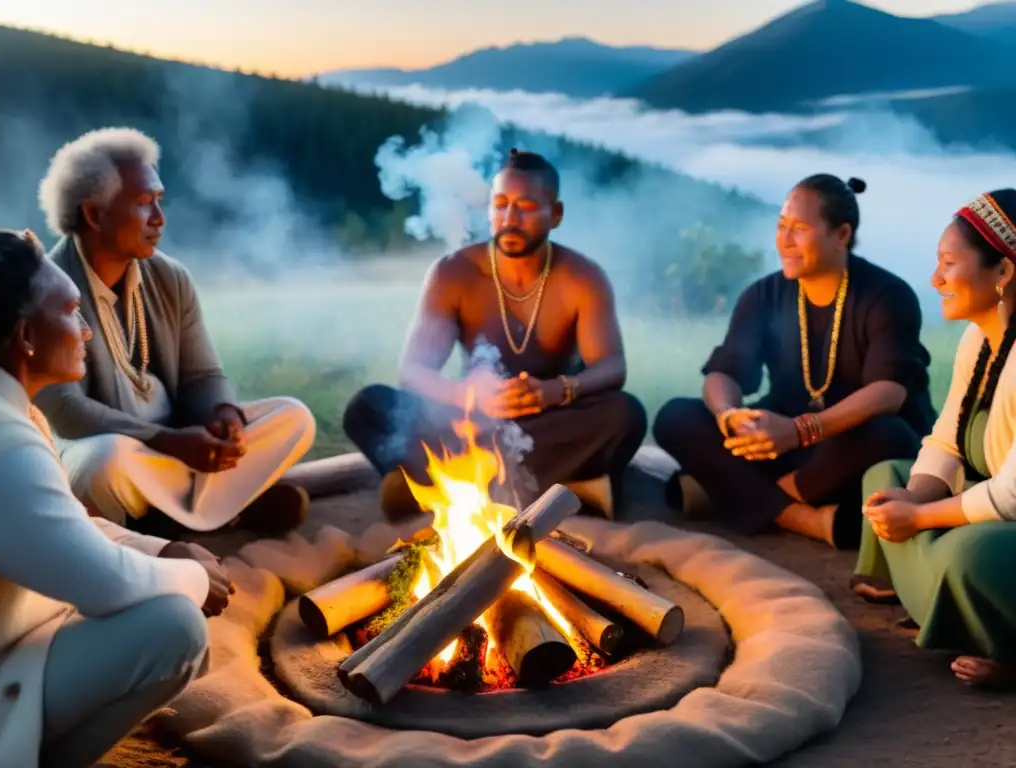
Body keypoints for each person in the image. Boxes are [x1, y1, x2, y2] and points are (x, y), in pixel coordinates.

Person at [0, 229, 235, 768]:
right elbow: (109, 586)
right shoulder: (5, 444)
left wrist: (164, 551)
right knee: (174, 626)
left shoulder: (11, 414)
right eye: (74, 310)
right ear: (25, 335)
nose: (86, 331)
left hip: (11, 644)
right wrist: (195, 577)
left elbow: (64, 524)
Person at [32, 127, 316, 536]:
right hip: (119, 449)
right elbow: (68, 414)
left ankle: (176, 516)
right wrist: (168, 441)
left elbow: (202, 376)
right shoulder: (49, 288)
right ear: (94, 214)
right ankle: (221, 509)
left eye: (160, 201)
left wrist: (223, 416)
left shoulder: (171, 277)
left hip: (179, 442)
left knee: (293, 417)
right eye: (145, 204)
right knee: (104, 463)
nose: (160, 219)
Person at [343, 149, 647, 521]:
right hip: (468, 424)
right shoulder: (453, 273)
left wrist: (557, 390)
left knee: (624, 414)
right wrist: (466, 395)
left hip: (547, 425)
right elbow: (413, 371)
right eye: (500, 205)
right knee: (368, 407)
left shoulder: (582, 278)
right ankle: (567, 489)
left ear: (556, 214)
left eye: (525, 206)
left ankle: (437, 488)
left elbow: (612, 367)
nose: (509, 218)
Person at [653, 175, 936, 548]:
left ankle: (730, 490)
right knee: (677, 417)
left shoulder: (886, 295)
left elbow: (888, 393)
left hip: (849, 442)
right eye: (781, 226)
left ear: (841, 234)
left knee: (888, 434)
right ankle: (804, 518)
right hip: (786, 443)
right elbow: (726, 371)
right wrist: (729, 416)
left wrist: (802, 431)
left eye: (799, 229)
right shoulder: (765, 294)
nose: (784, 241)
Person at [854, 189, 1016, 689]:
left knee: (968, 554)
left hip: (1005, 517)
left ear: (1004, 273)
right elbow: (946, 439)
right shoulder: (979, 339)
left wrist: (921, 517)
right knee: (885, 478)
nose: (936, 279)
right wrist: (913, 496)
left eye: (949, 263)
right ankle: (945, 609)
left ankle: (996, 644)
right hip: (985, 506)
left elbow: (1011, 496)